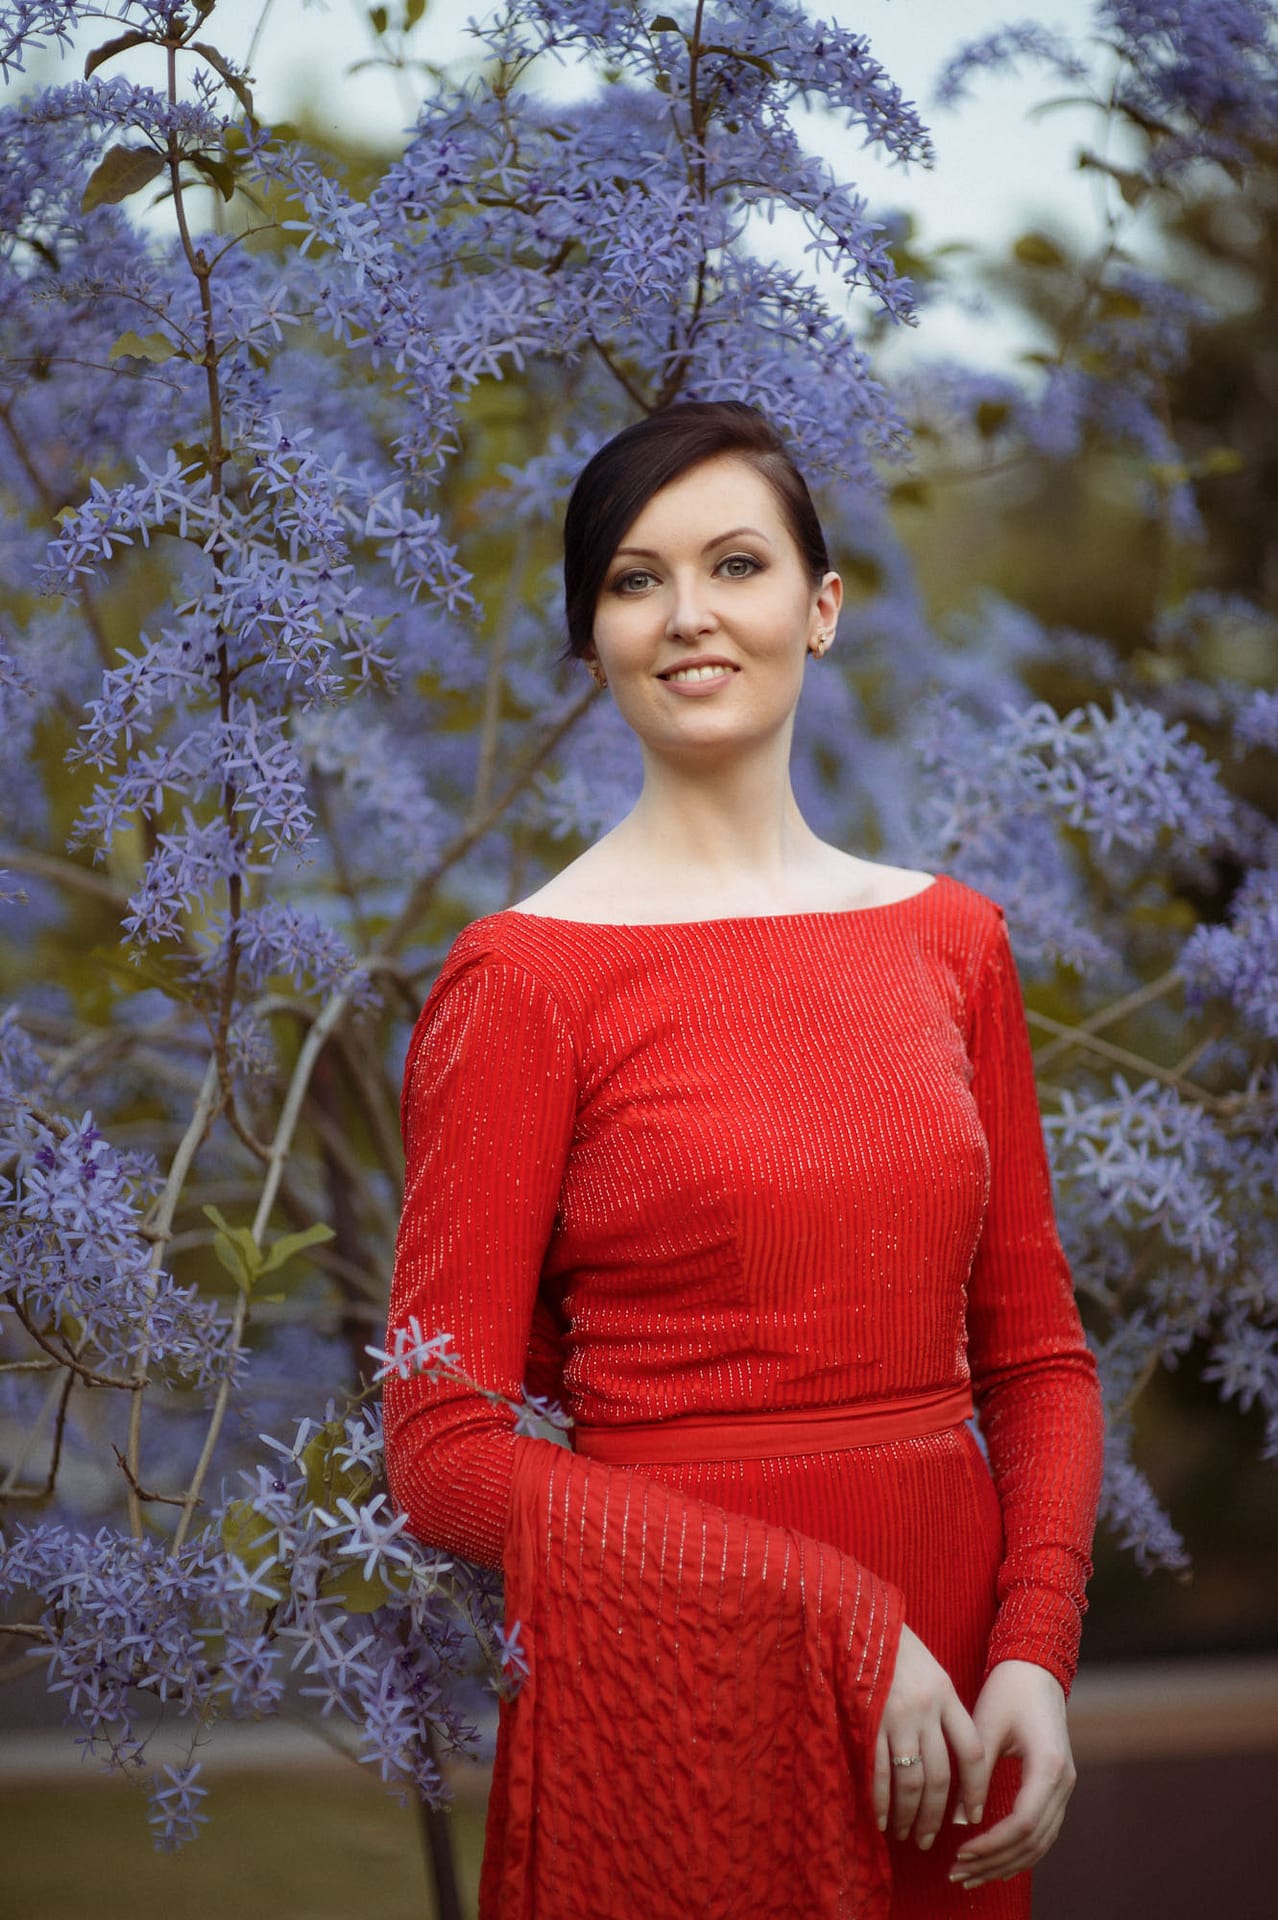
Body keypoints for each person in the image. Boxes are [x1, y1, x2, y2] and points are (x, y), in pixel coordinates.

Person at [380, 401, 1105, 1920]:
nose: (689, 615)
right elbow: (443, 1456)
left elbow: (1034, 1360)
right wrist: (829, 1619)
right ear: (589, 639)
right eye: (635, 580)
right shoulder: (522, 982)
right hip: (674, 1673)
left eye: (734, 563)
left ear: (819, 608)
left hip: (954, 1691)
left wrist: (1032, 1650)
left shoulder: (952, 944)